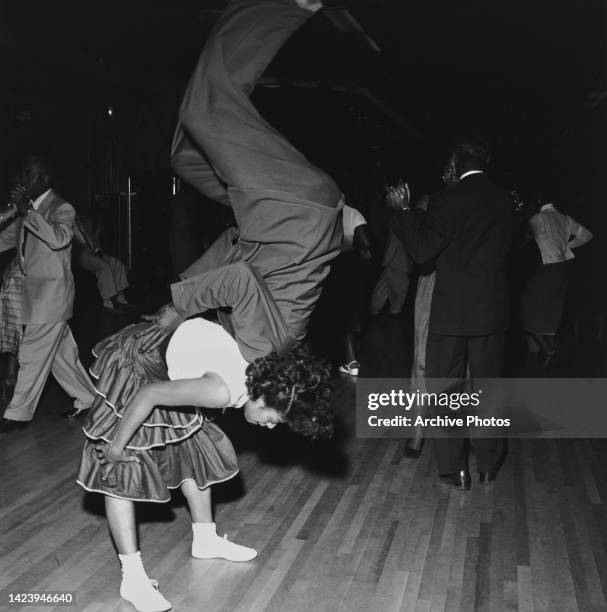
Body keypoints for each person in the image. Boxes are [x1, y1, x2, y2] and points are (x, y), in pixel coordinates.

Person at [77, 316, 332, 612]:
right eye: (272, 419)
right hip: (140, 363)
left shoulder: (262, 369)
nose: (271, 427)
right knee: (123, 467)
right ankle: (132, 576)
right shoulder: (220, 391)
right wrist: (115, 447)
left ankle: (205, 539)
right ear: (261, 396)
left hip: (169, 359)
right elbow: (149, 395)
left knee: (193, 442)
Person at [144, 0, 343, 359]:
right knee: (202, 111)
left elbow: (234, 245)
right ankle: (290, 7)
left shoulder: (259, 346)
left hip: (291, 218)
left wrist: (181, 287)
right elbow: (237, 279)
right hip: (293, 212)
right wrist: (179, 308)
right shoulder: (259, 353)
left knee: (186, 157)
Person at [389, 136, 513, 489]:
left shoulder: (447, 201)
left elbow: (423, 251)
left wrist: (403, 213)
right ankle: (489, 466)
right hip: (493, 312)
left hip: (451, 313)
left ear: (456, 164)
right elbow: (512, 248)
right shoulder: (506, 201)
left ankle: (454, 470)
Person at [0, 156, 96, 433]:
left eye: (30, 175)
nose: (23, 180)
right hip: (36, 300)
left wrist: (27, 212)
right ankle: (89, 399)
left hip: (51, 298)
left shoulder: (61, 208)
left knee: (30, 354)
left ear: (45, 180)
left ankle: (17, 414)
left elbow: (59, 239)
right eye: (23, 174)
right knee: (61, 357)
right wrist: (14, 212)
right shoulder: (25, 212)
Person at [521, 195, 593, 366]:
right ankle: (540, 354)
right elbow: (588, 235)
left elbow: (524, 240)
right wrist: (566, 247)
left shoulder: (537, 219)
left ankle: (551, 350)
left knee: (528, 311)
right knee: (549, 311)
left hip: (546, 269)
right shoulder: (565, 219)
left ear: (537, 203)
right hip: (561, 269)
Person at [72, 216, 132, 311]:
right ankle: (107, 302)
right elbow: (81, 242)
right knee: (103, 267)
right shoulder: (71, 224)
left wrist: (97, 250)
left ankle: (120, 298)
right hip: (82, 253)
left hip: (95, 252)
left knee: (117, 264)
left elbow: (94, 243)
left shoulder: (86, 223)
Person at [0, 253, 23, 394]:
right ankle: (11, 374)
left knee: (19, 329)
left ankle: (12, 374)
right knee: (17, 329)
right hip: (17, 279)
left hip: (21, 278)